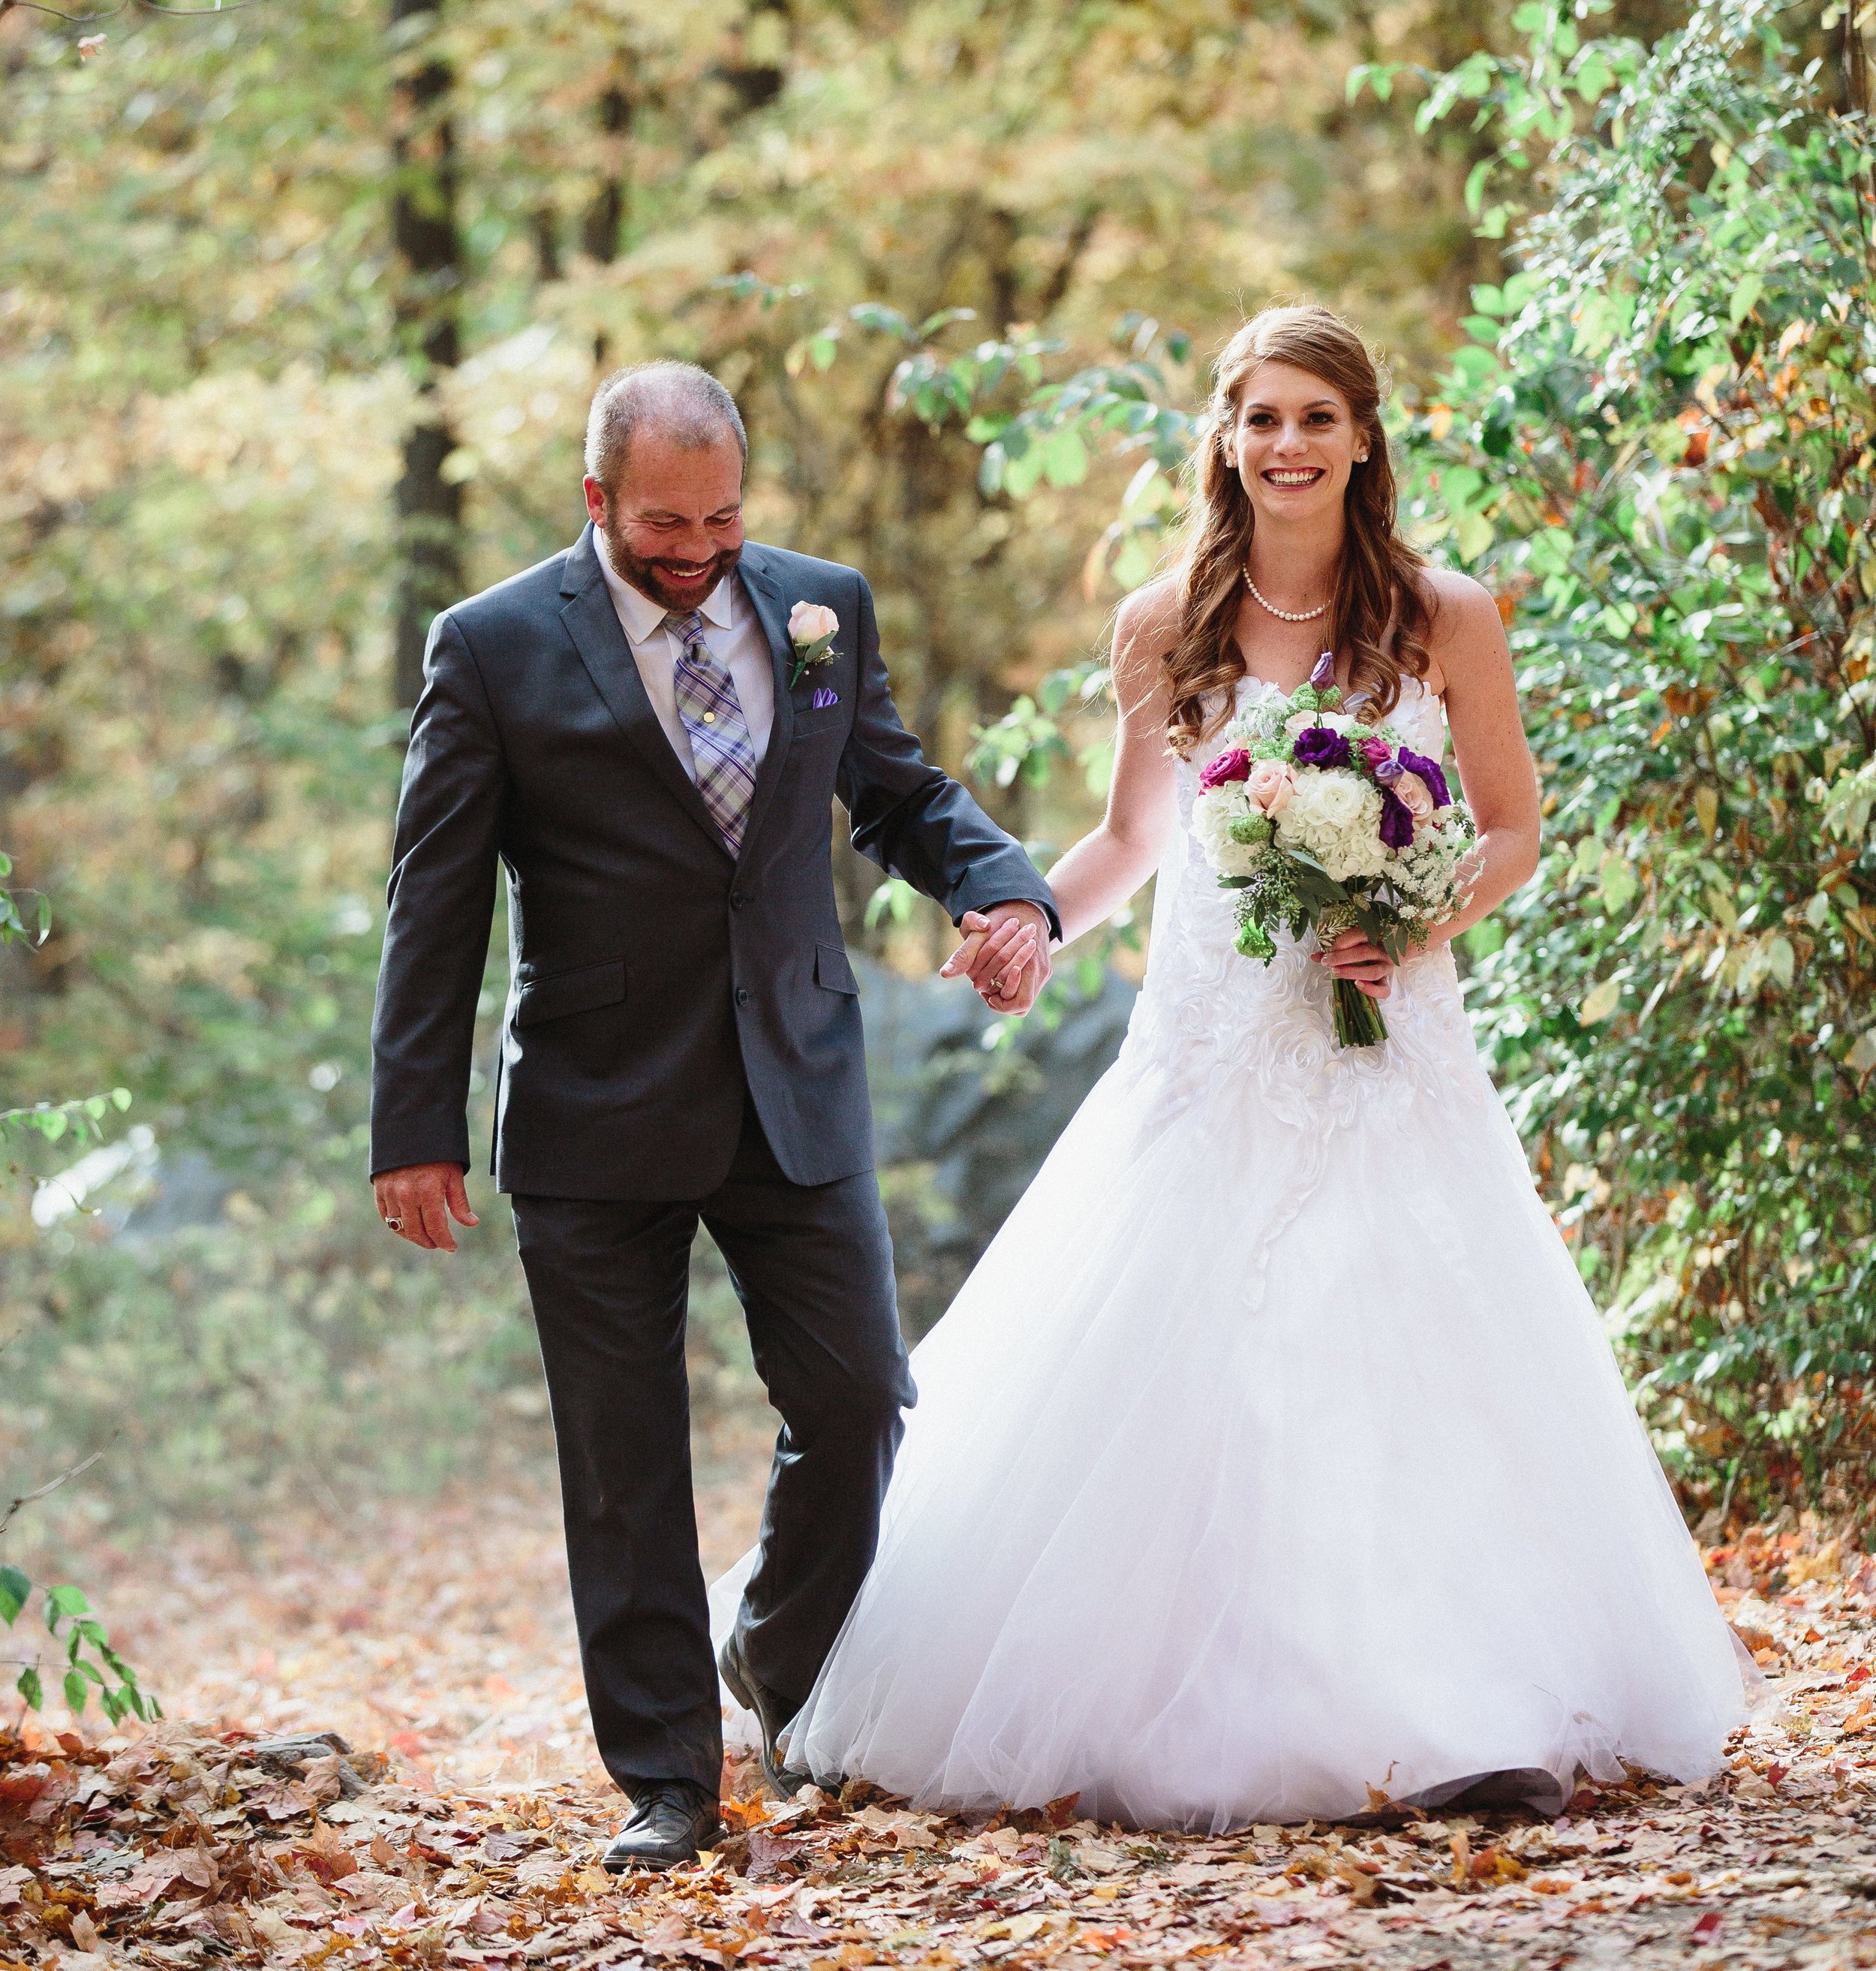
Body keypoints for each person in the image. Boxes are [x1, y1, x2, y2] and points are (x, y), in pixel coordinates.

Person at [717, 305, 1751, 1828]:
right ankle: (1157, 1695)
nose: (1285, 446)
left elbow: (1512, 826)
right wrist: (1026, 920)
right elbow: (1137, 839)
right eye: (1260, 417)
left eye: (1314, 419)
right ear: (1223, 436)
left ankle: (1450, 1705)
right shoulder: (1161, 625)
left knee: (1395, 1339)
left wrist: (1410, 917)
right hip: (1207, 1047)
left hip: (1381, 1040)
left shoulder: (1443, 616)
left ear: (1360, 441)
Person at [369, 361, 1057, 1869]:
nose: (695, 550)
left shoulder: (818, 606)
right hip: (591, 1103)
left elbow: (886, 786)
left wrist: (999, 883)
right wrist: (408, 1120)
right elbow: (434, 899)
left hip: (792, 1079)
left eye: (722, 518)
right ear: (598, 499)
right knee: (621, 1458)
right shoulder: (487, 648)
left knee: (860, 1398)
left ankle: (771, 1652)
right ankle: (667, 1777)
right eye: (663, 524)